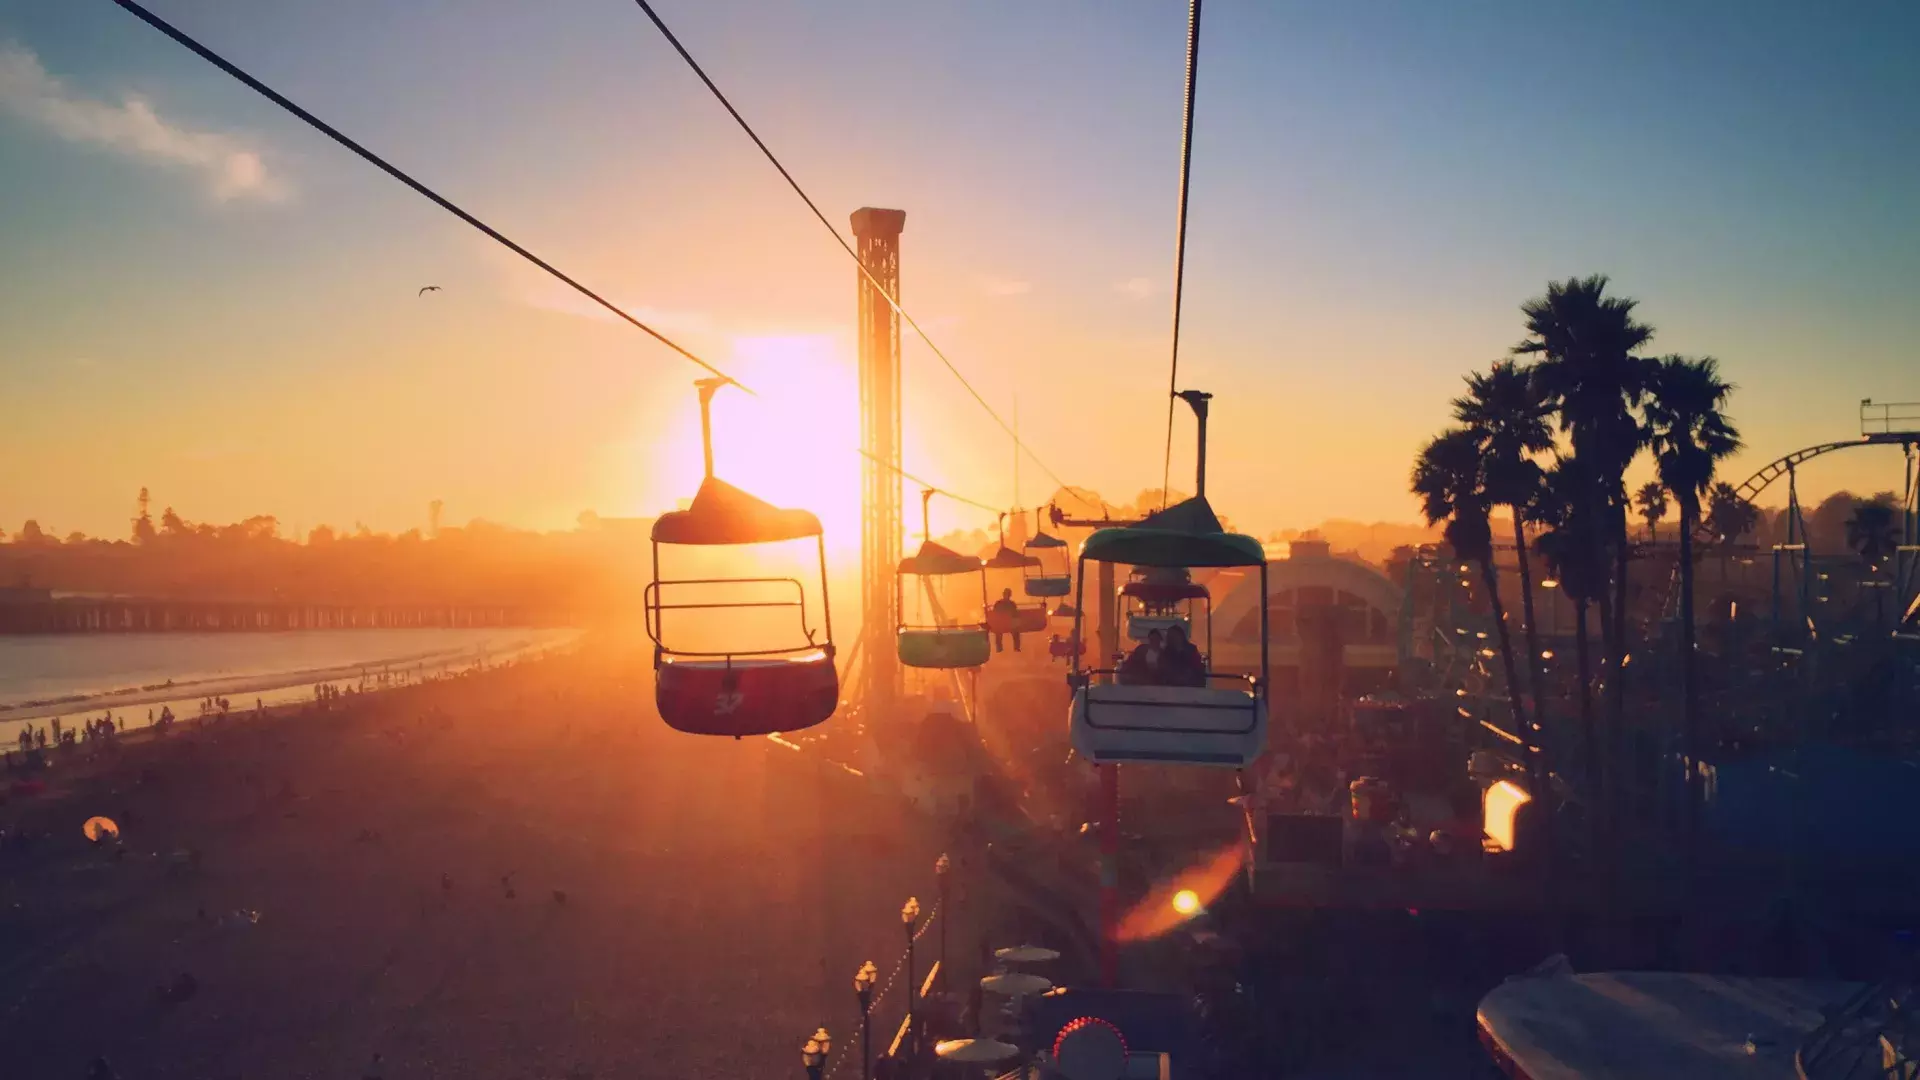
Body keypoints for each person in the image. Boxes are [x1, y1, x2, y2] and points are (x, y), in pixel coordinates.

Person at [989, 588, 1023, 653]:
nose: (1007, 595)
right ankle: (1000, 649)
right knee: (999, 632)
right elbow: (995, 613)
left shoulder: (1009, 604)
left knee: (1015, 631)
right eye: (1006, 594)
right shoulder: (1003, 603)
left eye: (1008, 594)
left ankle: (1015, 648)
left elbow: (1015, 614)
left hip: (1007, 623)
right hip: (1003, 623)